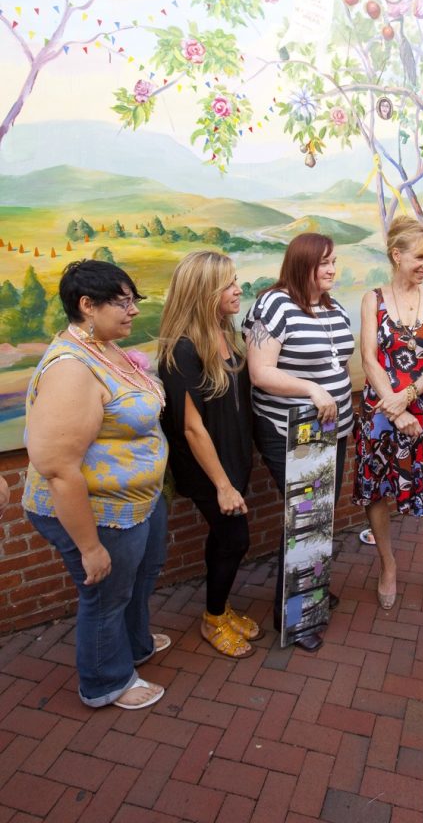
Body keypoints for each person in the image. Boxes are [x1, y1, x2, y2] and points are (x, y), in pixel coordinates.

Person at [23, 260, 169, 710]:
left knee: (138, 578)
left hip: (136, 501)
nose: (132, 312)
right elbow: (58, 468)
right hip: (100, 511)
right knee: (105, 594)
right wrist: (90, 547)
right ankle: (107, 682)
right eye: (122, 303)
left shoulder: (105, 347)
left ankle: (135, 643)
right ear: (87, 305)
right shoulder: (71, 368)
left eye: (133, 301)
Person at [243, 233, 354, 652]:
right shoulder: (274, 305)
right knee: (307, 517)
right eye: (323, 263)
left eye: (334, 261)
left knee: (321, 514)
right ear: (301, 263)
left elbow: (338, 362)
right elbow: (260, 372)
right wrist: (312, 389)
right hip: (292, 428)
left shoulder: (333, 307)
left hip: (333, 428)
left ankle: (310, 595)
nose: (331, 270)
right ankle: (296, 617)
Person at [158, 252, 260, 659]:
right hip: (207, 469)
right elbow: (191, 427)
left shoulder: (225, 331)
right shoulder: (181, 350)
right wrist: (222, 485)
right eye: (229, 284)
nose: (238, 290)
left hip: (232, 459)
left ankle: (220, 607)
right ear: (204, 292)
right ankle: (213, 617)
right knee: (236, 539)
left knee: (224, 538)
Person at [354, 217, 423, 610]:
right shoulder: (372, 300)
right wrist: (395, 411)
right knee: (376, 492)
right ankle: (388, 564)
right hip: (380, 416)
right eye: (419, 256)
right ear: (396, 256)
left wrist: (408, 395)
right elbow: (369, 358)